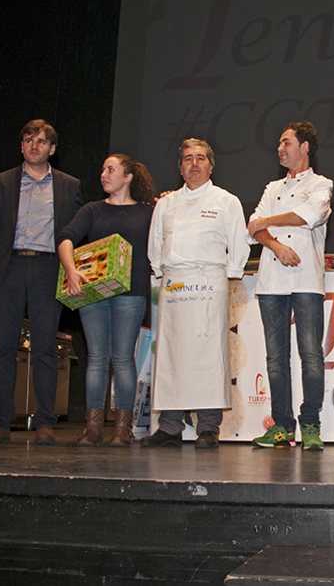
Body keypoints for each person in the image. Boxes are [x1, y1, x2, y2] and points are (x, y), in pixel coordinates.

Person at [0, 120, 82, 445]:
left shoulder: (69, 185)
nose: (35, 145)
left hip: (49, 269)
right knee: (3, 347)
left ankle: (45, 422)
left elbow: (76, 234)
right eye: (29, 140)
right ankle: (0, 421)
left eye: (42, 141)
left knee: (46, 348)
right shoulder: (2, 182)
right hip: (10, 269)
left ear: (52, 148)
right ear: (21, 146)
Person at [141, 139, 247, 449]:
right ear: (180, 168)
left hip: (209, 284)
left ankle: (208, 428)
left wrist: (227, 276)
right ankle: (170, 427)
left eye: (201, 158)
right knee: (173, 356)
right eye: (188, 159)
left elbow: (239, 245)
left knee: (208, 357)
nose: (194, 163)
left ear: (211, 166)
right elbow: (154, 246)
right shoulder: (167, 204)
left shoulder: (226, 201)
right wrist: (161, 274)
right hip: (174, 285)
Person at [58, 154, 155, 446]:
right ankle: (93, 428)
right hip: (93, 294)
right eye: (102, 170)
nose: (103, 174)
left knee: (123, 358)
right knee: (97, 359)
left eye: (110, 170)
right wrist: (71, 271)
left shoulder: (149, 212)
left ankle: (122, 429)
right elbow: (66, 238)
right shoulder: (92, 209)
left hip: (132, 293)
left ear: (128, 177)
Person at [247, 122, 333, 450]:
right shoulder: (271, 188)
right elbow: (252, 228)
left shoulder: (321, 184)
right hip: (271, 281)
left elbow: (309, 215)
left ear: (305, 146)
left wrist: (267, 222)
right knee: (275, 359)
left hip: (307, 280)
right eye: (280, 144)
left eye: (286, 143)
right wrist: (276, 246)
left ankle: (311, 423)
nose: (280, 149)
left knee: (311, 355)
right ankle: (281, 425)